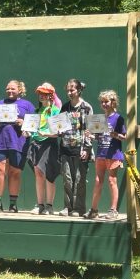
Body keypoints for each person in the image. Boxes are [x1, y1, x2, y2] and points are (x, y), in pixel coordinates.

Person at [0, 80, 35, 213]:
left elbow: (34, 123)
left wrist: (23, 121)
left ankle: (13, 203)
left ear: (20, 90)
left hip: (18, 142)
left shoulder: (27, 105)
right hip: (0, 141)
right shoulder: (0, 103)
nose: (9, 91)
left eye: (13, 89)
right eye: (8, 88)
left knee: (15, 173)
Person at [85, 90, 126, 220]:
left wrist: (116, 135)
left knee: (111, 180)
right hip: (101, 154)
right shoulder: (99, 119)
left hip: (114, 154)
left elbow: (124, 137)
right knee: (98, 181)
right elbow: (97, 137)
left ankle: (113, 210)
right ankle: (94, 210)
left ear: (113, 102)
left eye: (106, 101)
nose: (104, 104)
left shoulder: (118, 118)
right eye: (102, 102)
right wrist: (90, 135)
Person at [58, 79, 94, 217]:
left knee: (79, 179)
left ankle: (78, 208)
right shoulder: (64, 107)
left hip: (81, 149)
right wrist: (58, 129)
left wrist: (87, 148)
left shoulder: (87, 107)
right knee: (67, 179)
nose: (69, 93)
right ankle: (67, 207)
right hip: (66, 148)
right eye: (67, 90)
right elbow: (60, 128)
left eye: (72, 90)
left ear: (79, 90)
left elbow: (90, 131)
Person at [25, 83, 61, 215]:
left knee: (49, 174)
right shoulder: (36, 111)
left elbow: (59, 132)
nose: (41, 95)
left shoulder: (57, 111)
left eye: (45, 93)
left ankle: (49, 206)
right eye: (40, 93)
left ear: (51, 95)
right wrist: (27, 133)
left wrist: (47, 134)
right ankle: (40, 205)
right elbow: (31, 129)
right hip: (36, 144)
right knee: (38, 173)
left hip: (50, 144)